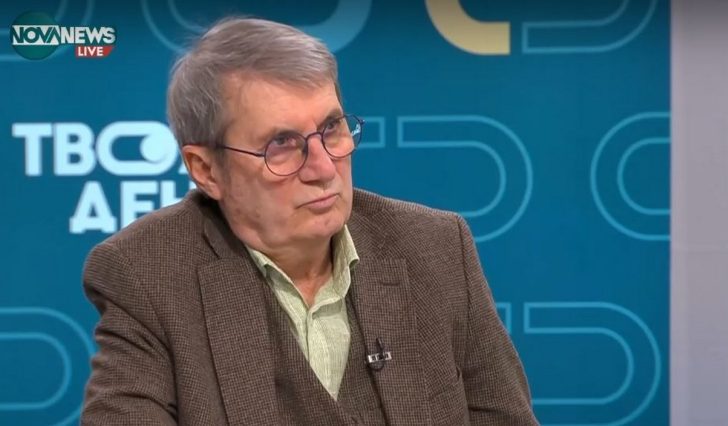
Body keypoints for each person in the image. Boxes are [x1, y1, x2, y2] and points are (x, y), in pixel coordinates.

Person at [80, 16, 538, 426]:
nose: (322, 167)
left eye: (332, 128)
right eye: (281, 144)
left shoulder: (435, 248)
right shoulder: (147, 274)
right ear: (206, 170)